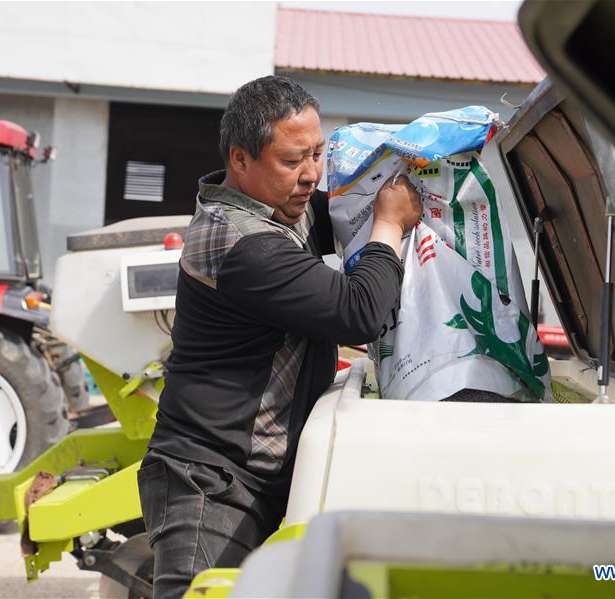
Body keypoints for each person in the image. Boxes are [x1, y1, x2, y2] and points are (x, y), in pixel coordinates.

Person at [137, 75, 421, 599]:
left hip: (264, 475)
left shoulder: (282, 207)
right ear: (240, 159)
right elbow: (358, 312)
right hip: (211, 483)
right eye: (292, 160)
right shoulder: (241, 240)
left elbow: (341, 211)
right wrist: (389, 224)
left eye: (318, 153)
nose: (311, 174)